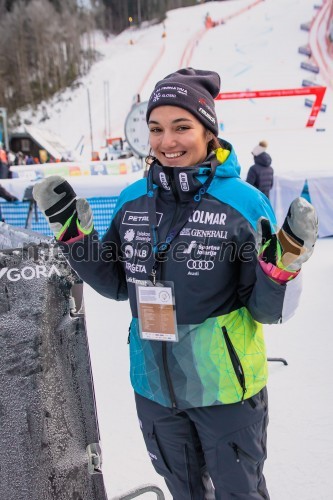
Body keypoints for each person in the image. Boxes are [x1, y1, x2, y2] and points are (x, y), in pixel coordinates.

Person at [33, 68, 318, 500]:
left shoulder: (242, 203)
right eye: (156, 129)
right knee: (183, 491)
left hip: (226, 389)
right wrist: (74, 236)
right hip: (154, 386)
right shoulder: (133, 199)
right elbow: (114, 283)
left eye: (181, 127)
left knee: (239, 493)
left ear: (209, 132)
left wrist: (282, 265)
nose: (168, 141)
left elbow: (265, 309)